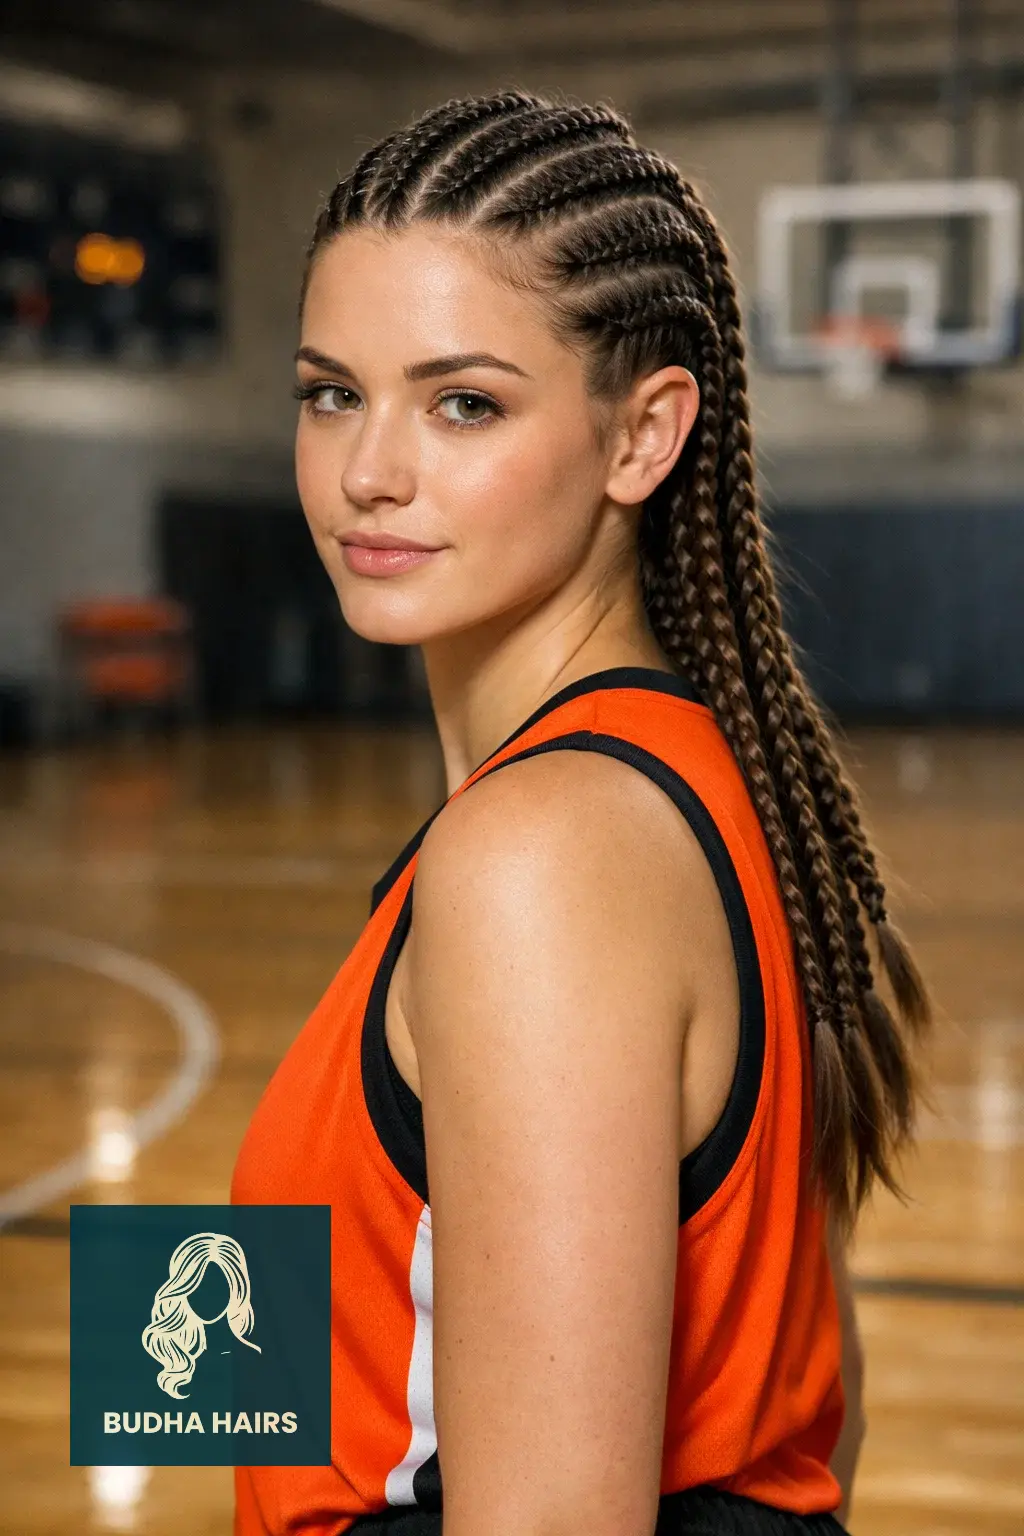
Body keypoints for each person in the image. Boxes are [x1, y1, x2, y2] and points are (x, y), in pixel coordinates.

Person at [231, 89, 930, 1536]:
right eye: (331, 392)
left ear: (643, 436)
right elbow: (816, 1407)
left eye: (463, 403)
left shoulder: (541, 853)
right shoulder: (685, 779)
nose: (367, 471)